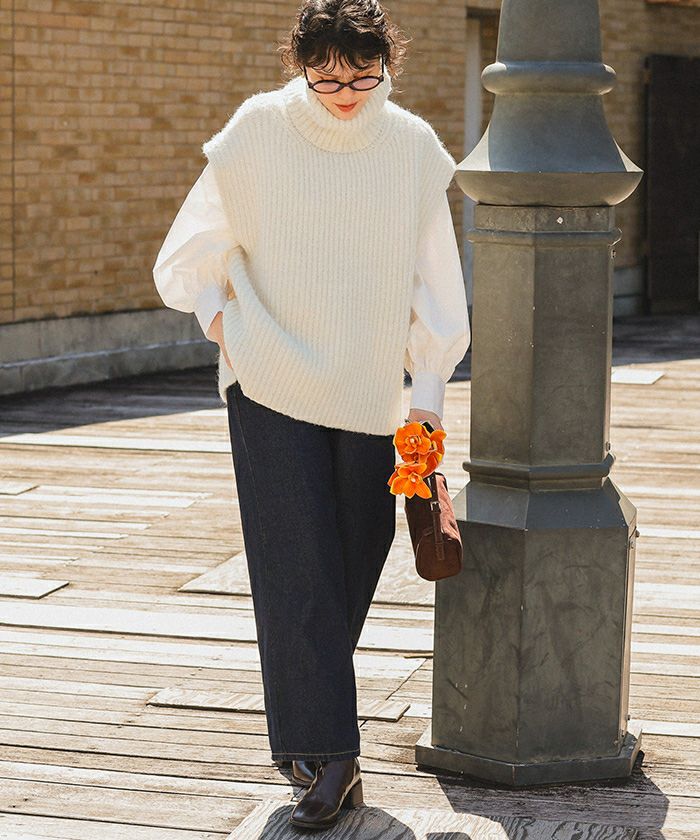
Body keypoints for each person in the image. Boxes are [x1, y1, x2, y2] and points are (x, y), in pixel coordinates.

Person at [153, 0, 470, 830]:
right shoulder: (257, 131)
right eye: (326, 79)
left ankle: (309, 729)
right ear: (300, 66)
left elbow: (437, 294)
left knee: (351, 565)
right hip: (267, 384)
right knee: (297, 569)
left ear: (387, 63)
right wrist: (228, 330)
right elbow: (185, 257)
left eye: (363, 76)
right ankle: (332, 760)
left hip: (370, 395)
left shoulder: (411, 148)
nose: (345, 95)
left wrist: (426, 414)